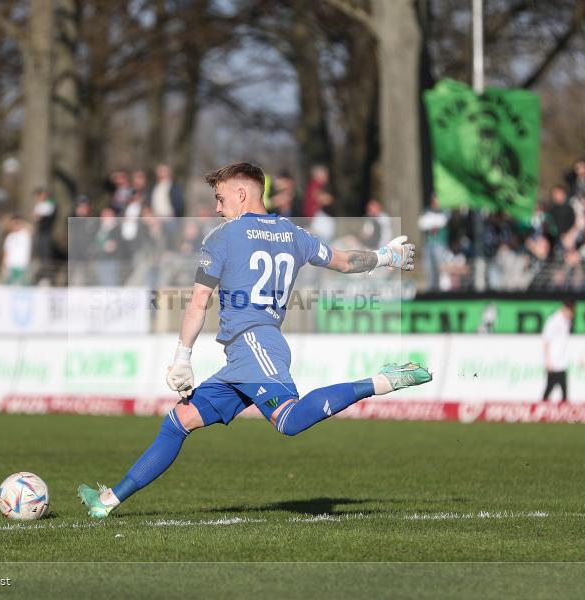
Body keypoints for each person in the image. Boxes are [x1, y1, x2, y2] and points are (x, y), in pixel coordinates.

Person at [77, 162, 431, 518]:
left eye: (220, 198)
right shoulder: (293, 232)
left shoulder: (222, 236)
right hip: (250, 351)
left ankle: (381, 381)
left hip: (254, 344)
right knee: (179, 421)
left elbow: (199, 300)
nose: (217, 207)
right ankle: (107, 502)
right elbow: (343, 261)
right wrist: (386, 256)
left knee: (288, 420)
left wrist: (182, 357)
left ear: (241, 194)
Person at [542, 299, 574, 402]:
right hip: (553, 360)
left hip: (562, 361)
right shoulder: (553, 321)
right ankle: (542, 407)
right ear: (565, 309)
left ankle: (564, 410)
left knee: (563, 389)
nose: (571, 315)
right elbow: (546, 339)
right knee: (550, 387)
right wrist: (547, 360)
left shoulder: (567, 321)